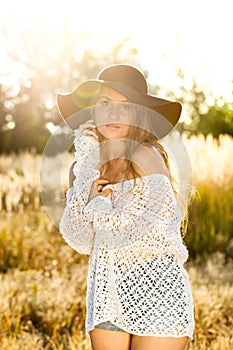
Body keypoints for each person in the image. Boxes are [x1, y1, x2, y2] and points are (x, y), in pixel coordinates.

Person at [57, 64, 194, 350]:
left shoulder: (147, 156)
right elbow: (79, 238)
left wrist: (99, 205)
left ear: (138, 115)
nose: (114, 114)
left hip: (158, 288)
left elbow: (146, 230)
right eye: (105, 104)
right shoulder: (82, 168)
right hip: (106, 288)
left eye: (126, 106)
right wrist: (86, 169)